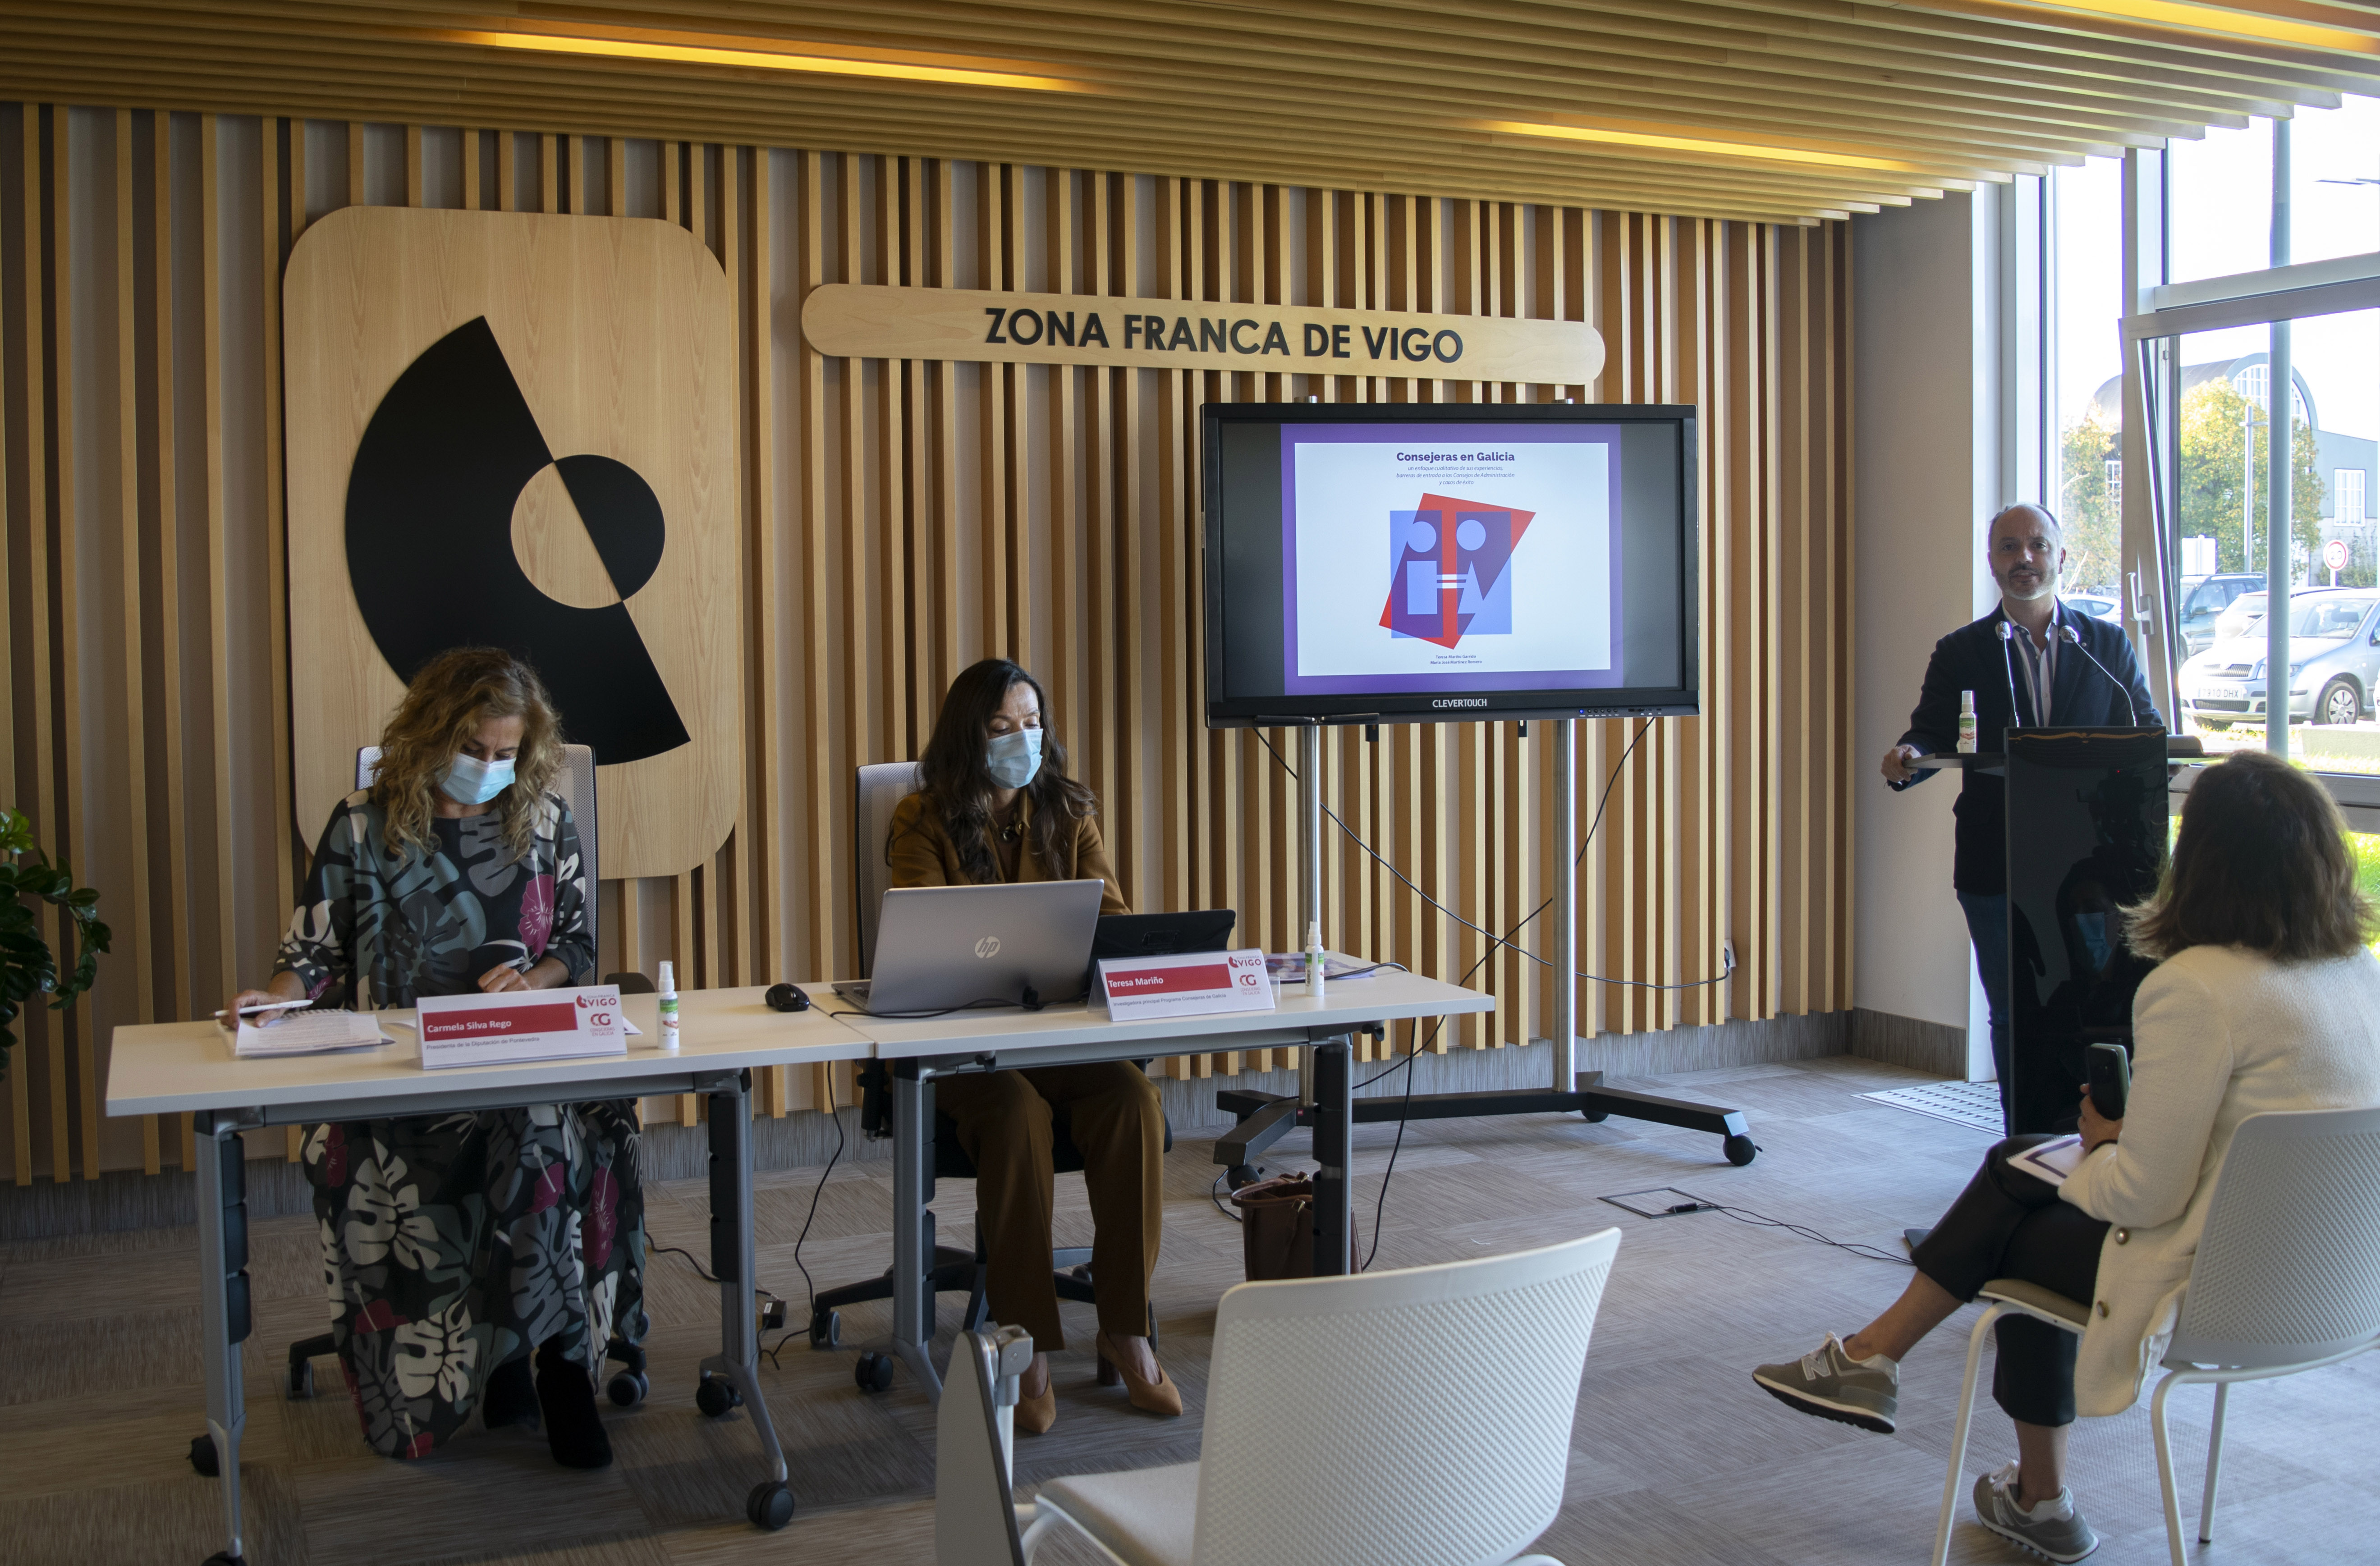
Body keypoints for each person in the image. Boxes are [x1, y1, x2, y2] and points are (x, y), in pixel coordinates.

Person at [1752, 751, 2380, 1562]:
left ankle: (2018, 1478)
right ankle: (1887, 1372)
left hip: (2209, 1290)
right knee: (2018, 1162)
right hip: (2334, 1287)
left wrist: (2106, 1146)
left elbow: (2145, 1197)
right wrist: (2115, 1142)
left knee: (2012, 1228)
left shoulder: (2195, 987)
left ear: (2201, 861)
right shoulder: (2358, 976)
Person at [225, 647, 642, 1468]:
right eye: (473, 747)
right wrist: (275, 994)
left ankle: (558, 1369)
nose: (488, 766)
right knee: (518, 1136)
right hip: (407, 1078)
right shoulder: (363, 825)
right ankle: (506, 1363)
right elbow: (314, 950)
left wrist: (532, 980)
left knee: (552, 1128)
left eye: (505, 752)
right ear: (430, 735)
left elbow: (575, 945)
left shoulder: (544, 819)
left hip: (520, 1058)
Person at [883, 657, 1178, 1433]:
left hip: (1058, 1035)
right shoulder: (921, 819)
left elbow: (1112, 924)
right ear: (968, 736)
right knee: (1017, 1115)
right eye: (1002, 726)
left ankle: (1126, 1327)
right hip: (964, 1046)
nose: (1023, 738)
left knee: (1134, 1100)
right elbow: (925, 941)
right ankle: (1030, 1341)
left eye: (1032, 722)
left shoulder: (1069, 811)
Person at [1882, 504, 2160, 1131]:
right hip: (1997, 860)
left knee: (2095, 1004)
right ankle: (2025, 1142)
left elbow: (2143, 729)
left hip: (2092, 864)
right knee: (2014, 1009)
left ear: (2061, 557)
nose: (2024, 558)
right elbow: (1930, 734)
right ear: (1992, 562)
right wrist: (1908, 758)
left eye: (2037, 545)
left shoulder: (2106, 645)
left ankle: (2099, 1137)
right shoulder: (1962, 651)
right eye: (2009, 547)